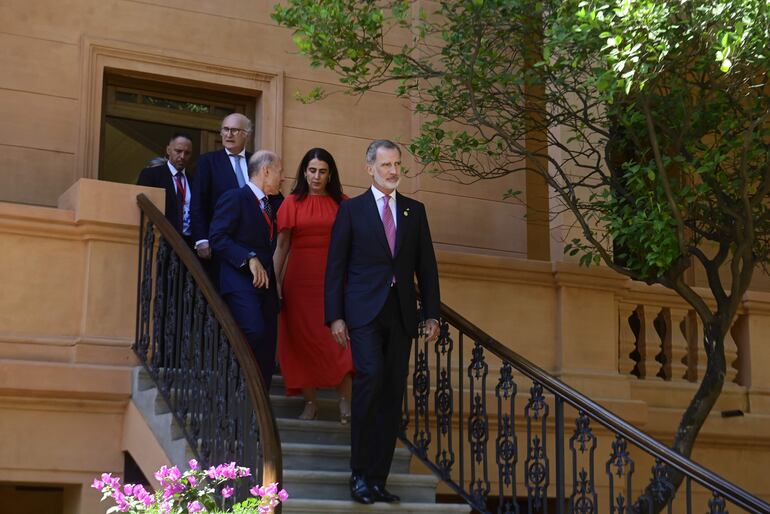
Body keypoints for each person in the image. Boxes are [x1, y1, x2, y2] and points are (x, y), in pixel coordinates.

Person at [324, 139, 441, 504]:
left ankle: (377, 479)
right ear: (369, 168)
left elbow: (427, 268)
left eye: (397, 165)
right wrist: (335, 316)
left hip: (402, 312)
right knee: (370, 380)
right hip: (363, 313)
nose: (393, 171)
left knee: (392, 393)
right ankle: (358, 475)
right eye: (386, 165)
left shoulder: (414, 211)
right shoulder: (352, 211)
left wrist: (432, 313)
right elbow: (335, 267)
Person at [272, 148, 353, 423]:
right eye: (311, 170)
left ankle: (345, 401)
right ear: (304, 172)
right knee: (302, 343)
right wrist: (275, 284)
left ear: (330, 174)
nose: (316, 176)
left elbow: (356, 248)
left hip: (334, 283)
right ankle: (311, 403)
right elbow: (281, 247)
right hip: (299, 284)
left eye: (322, 171)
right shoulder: (291, 203)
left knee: (338, 340)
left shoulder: (344, 203)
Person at [209, 151, 284, 389]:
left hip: (267, 287)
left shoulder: (273, 204)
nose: (282, 178)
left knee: (267, 344)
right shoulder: (235, 198)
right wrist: (248, 258)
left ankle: (257, 401)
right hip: (240, 282)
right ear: (266, 171)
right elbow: (217, 237)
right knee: (253, 330)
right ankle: (227, 380)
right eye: (280, 172)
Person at [191, 113, 253, 263]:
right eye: (225, 129)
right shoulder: (208, 161)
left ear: (246, 134)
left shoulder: (256, 161)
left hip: (252, 240)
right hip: (220, 241)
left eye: (234, 130)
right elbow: (198, 202)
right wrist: (201, 239)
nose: (228, 134)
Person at [137, 133, 194, 247]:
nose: (182, 156)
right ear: (168, 150)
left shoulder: (195, 181)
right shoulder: (151, 175)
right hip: (161, 243)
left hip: (189, 243)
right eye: (178, 151)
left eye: (187, 153)